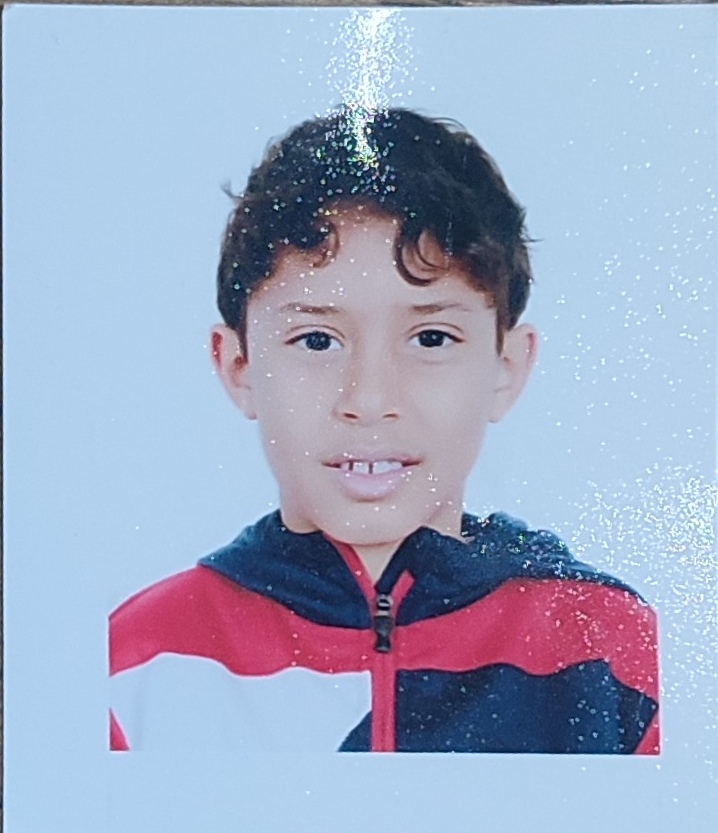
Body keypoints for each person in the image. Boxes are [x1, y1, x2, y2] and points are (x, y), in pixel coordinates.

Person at [109, 108, 659, 753]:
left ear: (506, 369)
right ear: (239, 366)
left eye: (431, 338)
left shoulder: (618, 658)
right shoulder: (134, 668)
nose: (369, 401)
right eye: (317, 340)